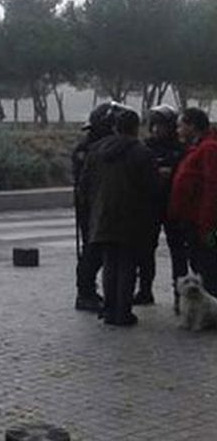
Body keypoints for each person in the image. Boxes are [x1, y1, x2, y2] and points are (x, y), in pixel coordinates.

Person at [77, 107, 158, 326]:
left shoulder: (95, 151)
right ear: (136, 128)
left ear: (115, 127)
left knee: (110, 263)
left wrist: (91, 210)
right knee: (127, 265)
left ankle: (110, 310)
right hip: (132, 217)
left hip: (102, 216)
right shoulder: (143, 153)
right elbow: (152, 189)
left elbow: (84, 185)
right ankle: (123, 312)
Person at [72, 102, 120, 312]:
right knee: (92, 250)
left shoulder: (95, 147)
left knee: (95, 250)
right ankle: (85, 293)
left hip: (97, 205)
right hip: (91, 207)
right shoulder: (88, 149)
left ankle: (88, 292)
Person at [138, 104, 187, 307]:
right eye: (155, 125)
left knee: (178, 252)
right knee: (146, 250)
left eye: (162, 125)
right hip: (150, 205)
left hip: (174, 206)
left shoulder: (181, 149)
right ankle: (145, 290)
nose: (158, 130)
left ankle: (180, 294)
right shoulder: (145, 147)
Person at [169, 107, 217, 296]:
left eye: (180, 126)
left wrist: (207, 225)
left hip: (207, 225)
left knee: (209, 265)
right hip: (196, 222)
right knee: (201, 263)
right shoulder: (199, 148)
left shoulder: (209, 149)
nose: (177, 131)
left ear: (192, 126)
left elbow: (212, 188)